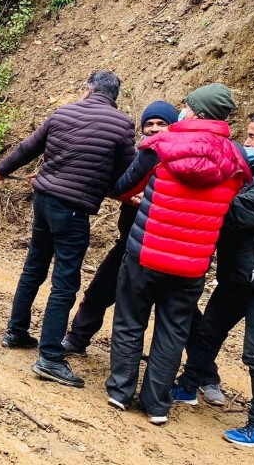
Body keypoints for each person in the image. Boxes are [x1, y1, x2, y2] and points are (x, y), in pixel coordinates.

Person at [106, 83, 251, 425]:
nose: (182, 110)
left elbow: (124, 187)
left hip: (147, 252)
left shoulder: (160, 145)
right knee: (173, 330)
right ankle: (157, 405)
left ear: (196, 112)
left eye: (186, 106)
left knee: (130, 320)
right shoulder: (237, 158)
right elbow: (234, 202)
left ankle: (120, 391)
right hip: (193, 262)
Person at [0, 70, 136, 388]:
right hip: (73, 210)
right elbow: (127, 175)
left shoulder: (63, 112)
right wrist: (117, 191)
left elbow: (29, 147)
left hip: (43, 201)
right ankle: (50, 359)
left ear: (88, 89)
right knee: (65, 284)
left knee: (34, 267)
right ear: (114, 97)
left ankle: (16, 331)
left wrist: (1, 169)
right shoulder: (122, 125)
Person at [172, 113, 254, 447]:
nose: (246, 144)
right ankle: (188, 387)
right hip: (240, 274)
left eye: (253, 138)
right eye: (245, 136)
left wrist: (209, 191)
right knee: (208, 333)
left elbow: (237, 215)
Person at [62, 101, 178, 356]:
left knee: (181, 313)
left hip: (164, 249)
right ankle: (77, 339)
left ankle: (204, 373)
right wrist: (125, 197)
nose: (155, 129)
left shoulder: (180, 160)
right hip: (128, 242)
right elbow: (114, 184)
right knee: (98, 292)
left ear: (174, 127)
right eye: (149, 124)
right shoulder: (137, 158)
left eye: (162, 124)